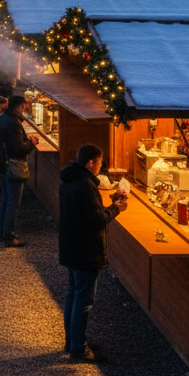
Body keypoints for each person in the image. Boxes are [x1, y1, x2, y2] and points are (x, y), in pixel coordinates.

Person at [60, 144, 128, 363]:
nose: (101, 166)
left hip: (71, 246)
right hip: (85, 249)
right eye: (100, 161)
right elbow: (96, 220)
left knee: (73, 294)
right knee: (84, 299)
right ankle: (78, 347)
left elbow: (87, 212)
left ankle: (73, 340)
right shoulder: (86, 185)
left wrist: (108, 204)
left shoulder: (70, 180)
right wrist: (117, 208)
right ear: (91, 162)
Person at [0, 96, 33, 247]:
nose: (24, 109)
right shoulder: (13, 124)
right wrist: (31, 144)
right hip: (12, 167)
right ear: (18, 106)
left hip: (1, 165)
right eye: (23, 107)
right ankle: (8, 236)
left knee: (6, 199)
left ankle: (3, 232)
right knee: (13, 202)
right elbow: (18, 149)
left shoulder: (3, 118)